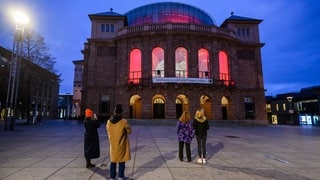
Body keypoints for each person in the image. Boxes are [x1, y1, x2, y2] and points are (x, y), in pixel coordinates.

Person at [106, 104, 132, 180]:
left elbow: (108, 131)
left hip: (112, 144)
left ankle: (112, 177)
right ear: (121, 112)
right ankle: (121, 177)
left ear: (114, 111)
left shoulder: (108, 121)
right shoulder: (124, 121)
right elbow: (129, 131)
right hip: (121, 144)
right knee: (121, 161)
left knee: (113, 161)